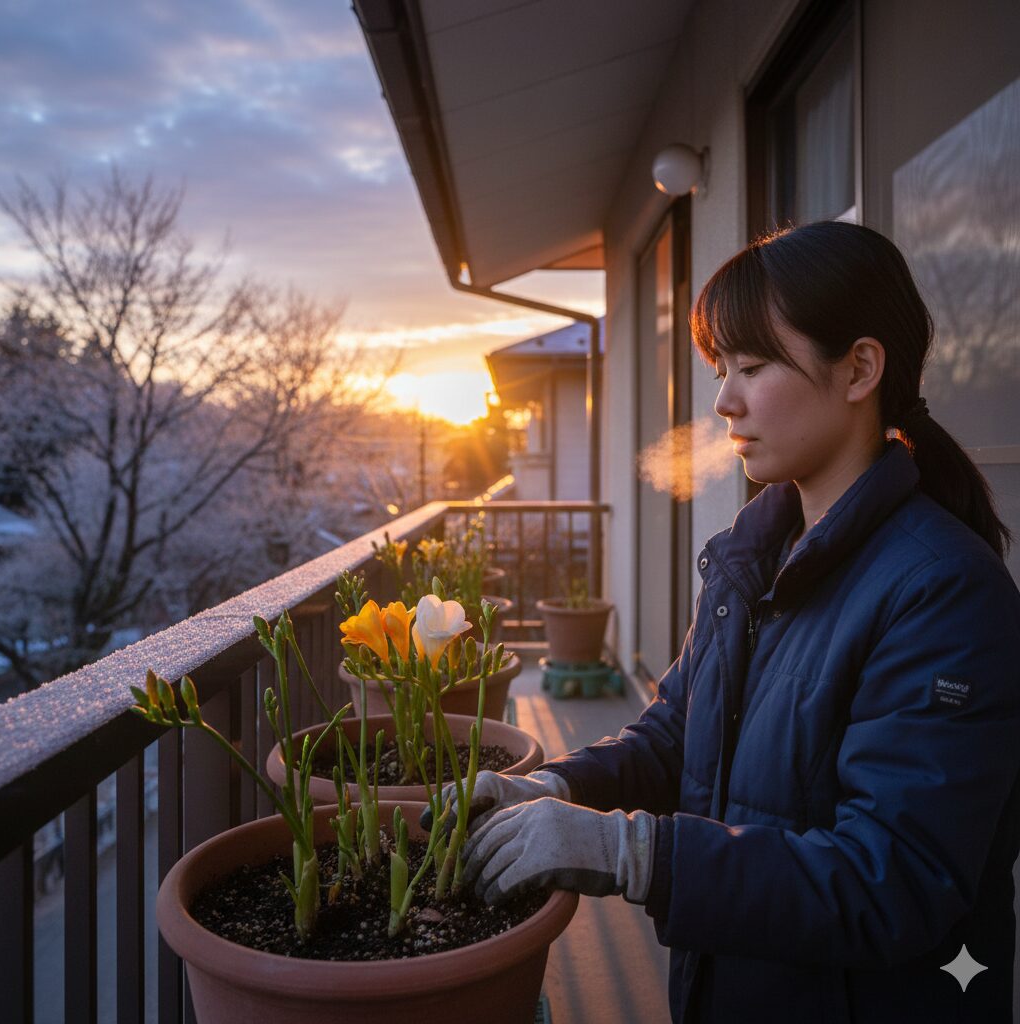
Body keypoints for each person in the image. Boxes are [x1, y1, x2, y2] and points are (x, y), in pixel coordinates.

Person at [432, 222, 1020, 1022]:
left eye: (752, 366)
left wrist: (631, 852)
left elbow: (893, 878)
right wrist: (550, 785)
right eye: (720, 370)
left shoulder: (944, 593)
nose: (723, 401)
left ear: (859, 368)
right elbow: (677, 734)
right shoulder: (753, 556)